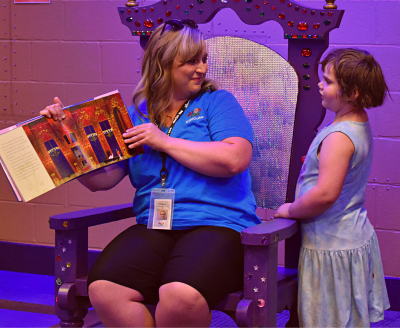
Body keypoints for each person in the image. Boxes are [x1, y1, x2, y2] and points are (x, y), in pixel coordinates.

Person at [41, 19, 261, 328]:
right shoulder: (134, 116)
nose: (201, 68)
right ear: (163, 64)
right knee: (104, 290)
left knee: (179, 296)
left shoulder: (217, 102)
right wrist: (66, 138)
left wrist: (165, 141)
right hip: (155, 225)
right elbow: (101, 180)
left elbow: (235, 159)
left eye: (203, 59)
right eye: (190, 61)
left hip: (218, 224)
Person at [274, 48, 390, 327]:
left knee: (329, 318)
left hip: (332, 245)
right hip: (350, 236)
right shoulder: (355, 121)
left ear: (353, 93)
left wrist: (291, 209)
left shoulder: (339, 137)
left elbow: (325, 194)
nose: (320, 85)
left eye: (327, 81)